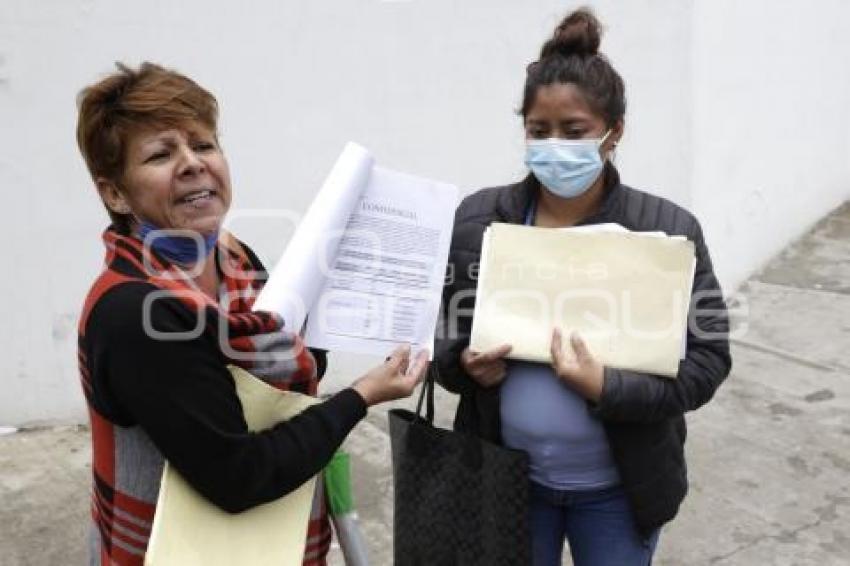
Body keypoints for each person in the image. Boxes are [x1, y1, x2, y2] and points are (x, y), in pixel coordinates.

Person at [75, 62, 427, 566]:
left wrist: (347, 290)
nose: (193, 164)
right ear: (114, 192)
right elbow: (238, 476)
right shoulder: (135, 314)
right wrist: (361, 396)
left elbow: (291, 369)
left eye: (203, 145)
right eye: (160, 153)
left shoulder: (235, 259)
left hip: (276, 542)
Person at [434, 8, 731, 566]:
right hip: (508, 483)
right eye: (538, 130)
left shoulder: (666, 232)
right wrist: (465, 365)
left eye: (574, 132)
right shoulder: (479, 221)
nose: (554, 146)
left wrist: (607, 386)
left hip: (620, 492)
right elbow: (443, 336)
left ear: (613, 132)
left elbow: (708, 360)